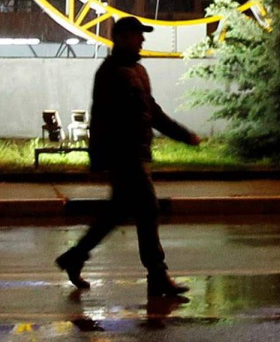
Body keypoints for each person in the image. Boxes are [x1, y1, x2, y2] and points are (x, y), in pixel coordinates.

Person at [56, 16, 201, 298]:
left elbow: (152, 112)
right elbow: (103, 119)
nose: (142, 40)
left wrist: (184, 135)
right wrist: (101, 158)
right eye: (137, 35)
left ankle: (74, 257)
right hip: (124, 155)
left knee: (115, 213)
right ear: (121, 38)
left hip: (135, 153)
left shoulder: (136, 71)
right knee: (148, 210)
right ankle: (157, 275)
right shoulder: (111, 72)